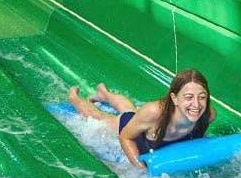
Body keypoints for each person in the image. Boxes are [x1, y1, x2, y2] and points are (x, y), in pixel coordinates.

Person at [67, 68, 217, 168]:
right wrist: (139, 167)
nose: (196, 104)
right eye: (189, 97)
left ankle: (104, 94)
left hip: (143, 121)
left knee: (129, 109)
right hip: (132, 130)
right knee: (99, 118)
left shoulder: (208, 114)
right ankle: (74, 98)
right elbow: (125, 137)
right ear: (174, 98)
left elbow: (199, 135)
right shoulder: (153, 112)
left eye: (202, 97)